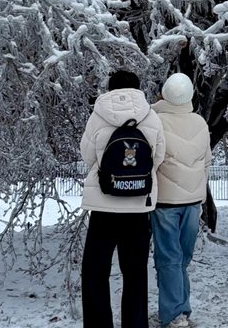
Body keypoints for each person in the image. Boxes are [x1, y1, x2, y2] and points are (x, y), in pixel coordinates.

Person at [80, 70, 165, 328]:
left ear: (110, 88)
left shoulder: (98, 115)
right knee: (135, 273)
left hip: (103, 205)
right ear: (138, 88)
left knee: (95, 272)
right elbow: (158, 156)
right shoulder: (150, 116)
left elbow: (87, 156)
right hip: (138, 206)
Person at [150, 73, 212, 328]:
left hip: (165, 201)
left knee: (169, 259)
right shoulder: (199, 123)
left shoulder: (155, 121)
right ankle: (181, 309)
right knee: (182, 258)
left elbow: (152, 159)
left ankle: (175, 314)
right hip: (193, 201)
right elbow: (206, 161)